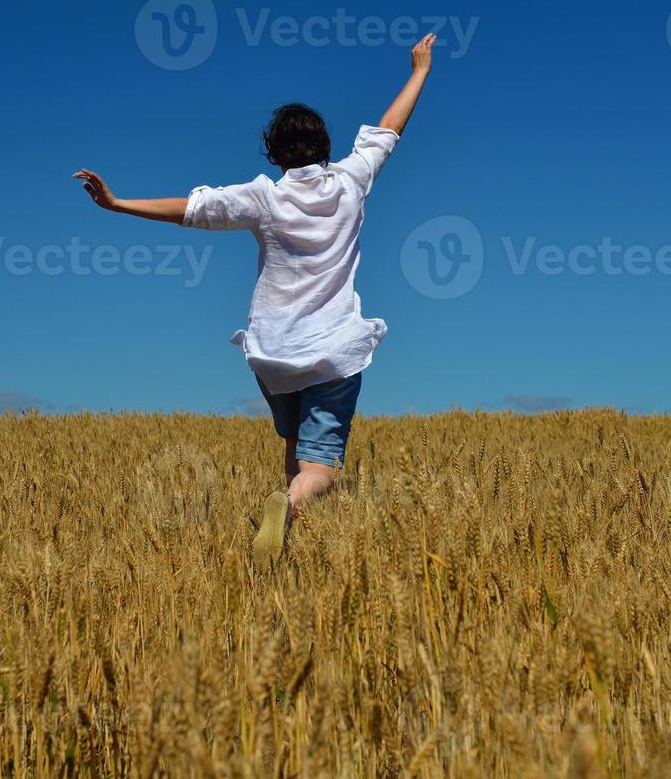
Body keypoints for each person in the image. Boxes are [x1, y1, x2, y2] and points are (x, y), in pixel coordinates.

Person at [73, 34, 436, 565]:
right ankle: (289, 507)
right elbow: (389, 129)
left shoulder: (262, 197)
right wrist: (419, 71)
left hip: (273, 355)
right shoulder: (352, 181)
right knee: (319, 470)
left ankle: (287, 539)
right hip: (334, 351)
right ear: (325, 146)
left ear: (273, 152)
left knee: (293, 450)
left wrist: (118, 203)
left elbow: (190, 209)